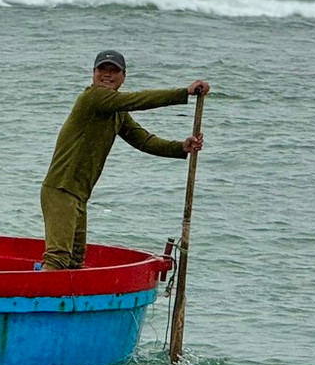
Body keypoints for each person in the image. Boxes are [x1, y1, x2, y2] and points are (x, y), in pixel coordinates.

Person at [39, 50, 209, 271]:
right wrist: (183, 92)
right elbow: (138, 100)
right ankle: (35, 302)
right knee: (58, 259)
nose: (107, 75)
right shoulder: (93, 98)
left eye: (114, 71)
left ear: (123, 76)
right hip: (60, 190)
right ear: (93, 73)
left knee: (74, 263)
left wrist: (180, 147)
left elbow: (144, 140)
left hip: (78, 195)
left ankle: (70, 303)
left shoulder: (117, 112)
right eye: (102, 70)